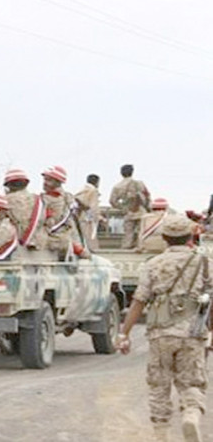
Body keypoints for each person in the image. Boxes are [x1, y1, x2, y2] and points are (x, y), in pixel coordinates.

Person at [116, 215, 211, 442]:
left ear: (165, 239)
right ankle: (190, 415)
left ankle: (162, 435)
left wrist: (124, 333)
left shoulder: (153, 264)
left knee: (159, 385)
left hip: (161, 333)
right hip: (193, 332)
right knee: (192, 381)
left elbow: (139, 301)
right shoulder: (205, 263)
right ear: (190, 238)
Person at [42, 165, 87, 259]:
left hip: (61, 244)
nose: (45, 183)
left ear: (58, 182)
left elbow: (57, 225)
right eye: (45, 179)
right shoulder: (67, 198)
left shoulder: (58, 199)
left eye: (49, 180)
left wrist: (78, 248)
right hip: (65, 243)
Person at [4, 169, 47, 250]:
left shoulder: (5, 200)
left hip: (14, 245)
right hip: (39, 245)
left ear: (8, 185)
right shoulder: (39, 200)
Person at [110, 164, 151, 249]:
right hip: (140, 210)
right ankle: (141, 247)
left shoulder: (117, 186)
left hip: (128, 211)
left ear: (121, 173)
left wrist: (122, 208)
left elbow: (112, 201)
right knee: (141, 232)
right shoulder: (139, 183)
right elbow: (147, 196)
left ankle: (126, 248)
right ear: (132, 172)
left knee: (128, 233)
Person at [75, 174, 103, 251]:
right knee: (90, 237)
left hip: (80, 216)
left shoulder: (82, 190)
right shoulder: (93, 191)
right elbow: (93, 207)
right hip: (89, 218)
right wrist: (98, 218)